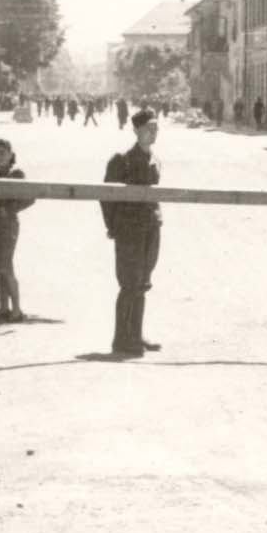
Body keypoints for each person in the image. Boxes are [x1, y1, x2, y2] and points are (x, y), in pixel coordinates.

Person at [100, 109, 163, 357]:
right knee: (129, 283)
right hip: (129, 231)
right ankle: (121, 339)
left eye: (156, 127)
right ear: (136, 130)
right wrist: (113, 227)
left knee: (143, 282)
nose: (153, 131)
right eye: (148, 127)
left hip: (151, 229)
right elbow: (106, 197)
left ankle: (136, 333)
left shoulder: (155, 160)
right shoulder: (121, 161)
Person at [0, 138, 35, 322]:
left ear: (11, 154)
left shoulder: (17, 175)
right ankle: (3, 308)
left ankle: (17, 310)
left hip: (8, 226)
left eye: (3, 152)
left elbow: (30, 198)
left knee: (6, 266)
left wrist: (9, 209)